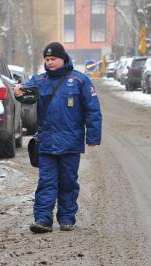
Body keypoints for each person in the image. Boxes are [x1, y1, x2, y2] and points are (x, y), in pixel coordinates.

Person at [14, 42, 102, 233]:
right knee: (46, 181)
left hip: (71, 143)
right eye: (47, 59)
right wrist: (19, 92)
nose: (50, 62)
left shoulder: (80, 80)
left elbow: (92, 110)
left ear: (63, 58)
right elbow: (26, 96)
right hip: (47, 142)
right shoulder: (39, 80)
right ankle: (43, 220)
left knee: (68, 181)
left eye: (53, 59)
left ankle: (66, 218)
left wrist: (93, 136)